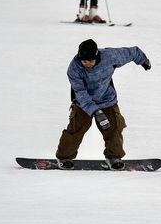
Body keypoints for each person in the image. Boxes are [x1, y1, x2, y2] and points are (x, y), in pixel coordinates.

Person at [55, 39, 152, 170]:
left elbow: (132, 52)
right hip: (83, 103)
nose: (87, 64)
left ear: (96, 57)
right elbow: (80, 92)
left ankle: (114, 157)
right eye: (84, 61)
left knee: (114, 128)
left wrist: (143, 60)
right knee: (77, 128)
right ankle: (64, 156)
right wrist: (95, 111)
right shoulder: (74, 68)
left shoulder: (110, 56)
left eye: (90, 61)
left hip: (107, 99)